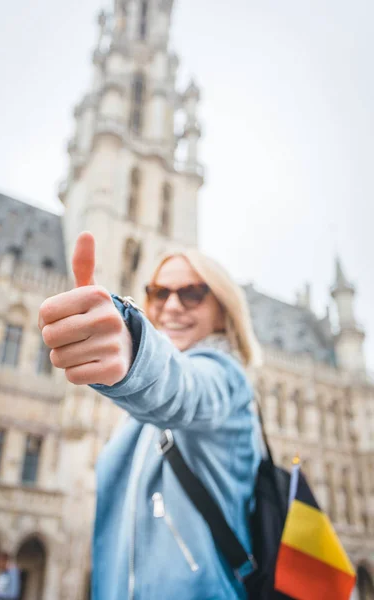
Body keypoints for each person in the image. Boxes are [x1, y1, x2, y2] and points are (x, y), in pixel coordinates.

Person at [39, 231, 262, 600]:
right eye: (159, 293)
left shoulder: (227, 381)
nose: (172, 306)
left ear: (224, 310)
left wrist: (133, 345)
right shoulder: (132, 420)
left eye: (192, 293)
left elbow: (183, 388)